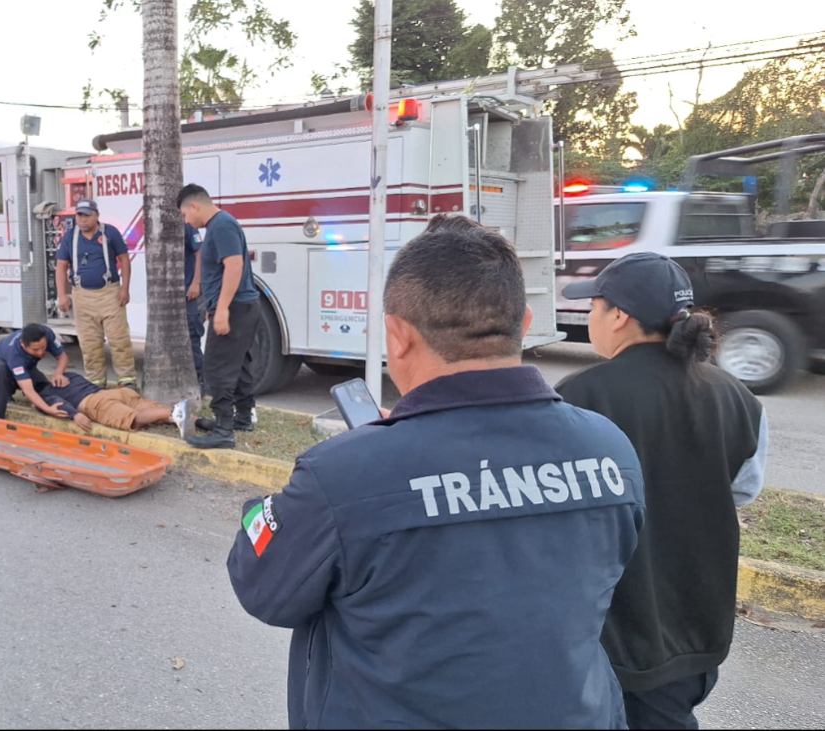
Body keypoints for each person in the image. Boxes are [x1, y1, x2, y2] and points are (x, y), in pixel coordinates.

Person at [226, 215, 647, 729]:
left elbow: (262, 585)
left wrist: (293, 498)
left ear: (397, 337)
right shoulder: (611, 450)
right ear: (524, 324)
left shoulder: (342, 477)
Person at [557, 252, 768, 731]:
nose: (588, 317)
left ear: (620, 316)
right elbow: (742, 491)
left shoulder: (578, 398)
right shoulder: (738, 397)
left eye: (594, 306)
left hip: (618, 634)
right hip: (698, 626)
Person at [178, 184, 261, 449]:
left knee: (216, 367)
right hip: (242, 305)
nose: (187, 222)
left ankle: (224, 429)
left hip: (235, 307)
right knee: (240, 364)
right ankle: (243, 418)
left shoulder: (221, 225)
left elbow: (234, 265)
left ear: (194, 206)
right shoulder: (221, 224)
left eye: (184, 214)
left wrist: (223, 309)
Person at [54, 199, 138, 390]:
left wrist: (125, 289)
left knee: (119, 340)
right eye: (79, 215)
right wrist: (62, 296)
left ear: (96, 216)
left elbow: (124, 260)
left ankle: (127, 381)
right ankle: (95, 383)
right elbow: (61, 267)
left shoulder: (110, 233)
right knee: (89, 343)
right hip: (82, 296)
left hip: (110, 294)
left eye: (87, 215)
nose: (82, 220)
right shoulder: (70, 237)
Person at [37, 371, 190, 435]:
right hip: (118, 392)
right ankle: (201, 422)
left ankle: (173, 412)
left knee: (133, 419)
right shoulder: (69, 375)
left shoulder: (45, 394)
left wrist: (75, 415)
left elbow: (57, 404)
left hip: (97, 403)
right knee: (152, 411)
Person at [0, 324, 71, 421]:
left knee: (44, 388)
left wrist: (58, 373)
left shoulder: (46, 333)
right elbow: (28, 389)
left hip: (27, 365)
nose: (40, 352)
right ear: (23, 345)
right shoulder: (15, 355)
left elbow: (62, 356)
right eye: (35, 350)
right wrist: (48, 409)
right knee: (1, 372)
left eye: (43, 347)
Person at [184, 222, 206, 387]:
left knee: (192, 336)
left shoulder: (188, 227)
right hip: (168, 295)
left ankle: (199, 380)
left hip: (188, 292)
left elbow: (200, 253)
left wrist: (196, 283)